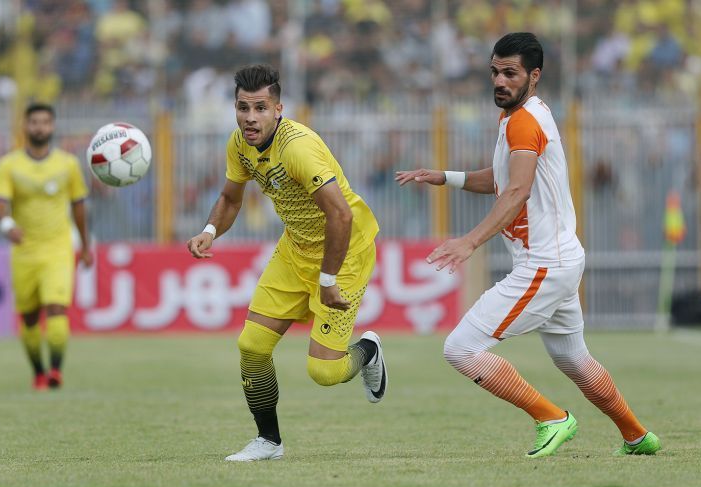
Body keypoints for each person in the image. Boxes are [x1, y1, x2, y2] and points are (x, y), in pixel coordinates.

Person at [396, 33, 661, 457]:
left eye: (510, 73)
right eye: (494, 72)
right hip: (560, 258)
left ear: (534, 76)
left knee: (461, 349)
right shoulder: (523, 115)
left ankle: (552, 417)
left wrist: (470, 241)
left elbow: (516, 191)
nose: (499, 81)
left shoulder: (523, 121)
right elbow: (503, 179)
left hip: (544, 263)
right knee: (574, 359)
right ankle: (637, 436)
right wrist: (445, 177)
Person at [187, 64, 386, 462]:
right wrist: (209, 230)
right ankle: (269, 441)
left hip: (344, 253)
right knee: (252, 346)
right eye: (243, 108)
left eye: (260, 108)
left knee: (325, 373)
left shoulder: (297, 148)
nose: (250, 118)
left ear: (278, 109)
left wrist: (328, 280)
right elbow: (230, 198)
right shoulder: (239, 144)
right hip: (295, 249)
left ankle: (368, 350)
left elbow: (341, 215)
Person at [0, 103, 92, 391]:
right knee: (30, 316)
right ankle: (38, 372)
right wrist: (7, 226)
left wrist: (85, 246)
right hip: (24, 251)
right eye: (34, 122)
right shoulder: (9, 165)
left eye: (45, 122)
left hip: (58, 249)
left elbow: (79, 206)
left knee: (57, 307)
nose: (39, 127)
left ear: (52, 126)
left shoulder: (68, 164)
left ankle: (56, 371)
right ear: (25, 126)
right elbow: (0, 204)